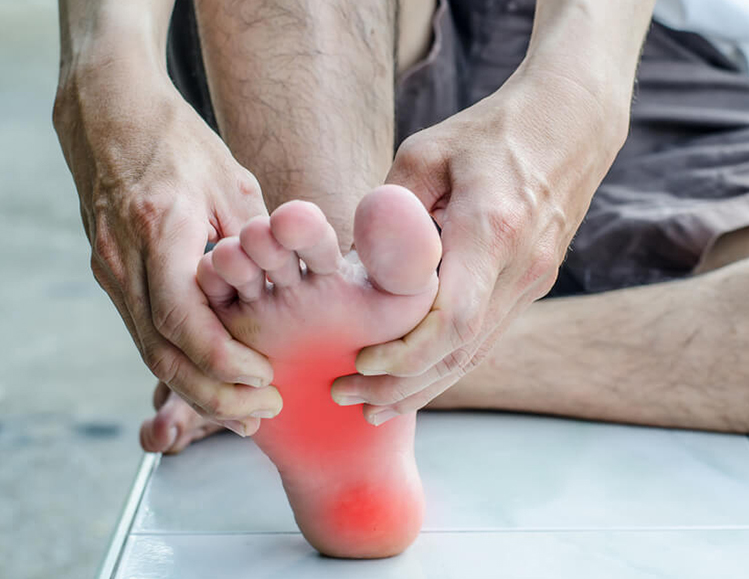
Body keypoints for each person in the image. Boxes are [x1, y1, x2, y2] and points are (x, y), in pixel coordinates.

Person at [54, 0, 749, 460]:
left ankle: (337, 374)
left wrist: (579, 94)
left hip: (693, 68)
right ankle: (354, 379)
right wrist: (108, 80)